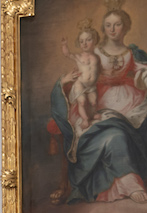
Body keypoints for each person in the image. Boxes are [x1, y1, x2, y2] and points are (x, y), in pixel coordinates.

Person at [50, 4, 147, 204]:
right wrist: (65, 81)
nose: (113, 29)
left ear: (126, 27)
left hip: (129, 103)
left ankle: (131, 181)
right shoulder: (93, 51)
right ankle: (127, 184)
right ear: (103, 29)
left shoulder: (132, 52)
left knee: (143, 125)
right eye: (108, 25)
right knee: (115, 134)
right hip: (100, 101)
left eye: (117, 25)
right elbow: (80, 74)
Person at [59, 22, 101, 161]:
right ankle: (84, 119)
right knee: (82, 102)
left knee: (94, 101)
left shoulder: (96, 57)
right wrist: (65, 45)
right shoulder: (78, 57)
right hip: (80, 85)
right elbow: (67, 55)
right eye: (82, 41)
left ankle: (92, 114)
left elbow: (100, 70)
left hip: (91, 86)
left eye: (88, 40)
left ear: (94, 41)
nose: (84, 43)